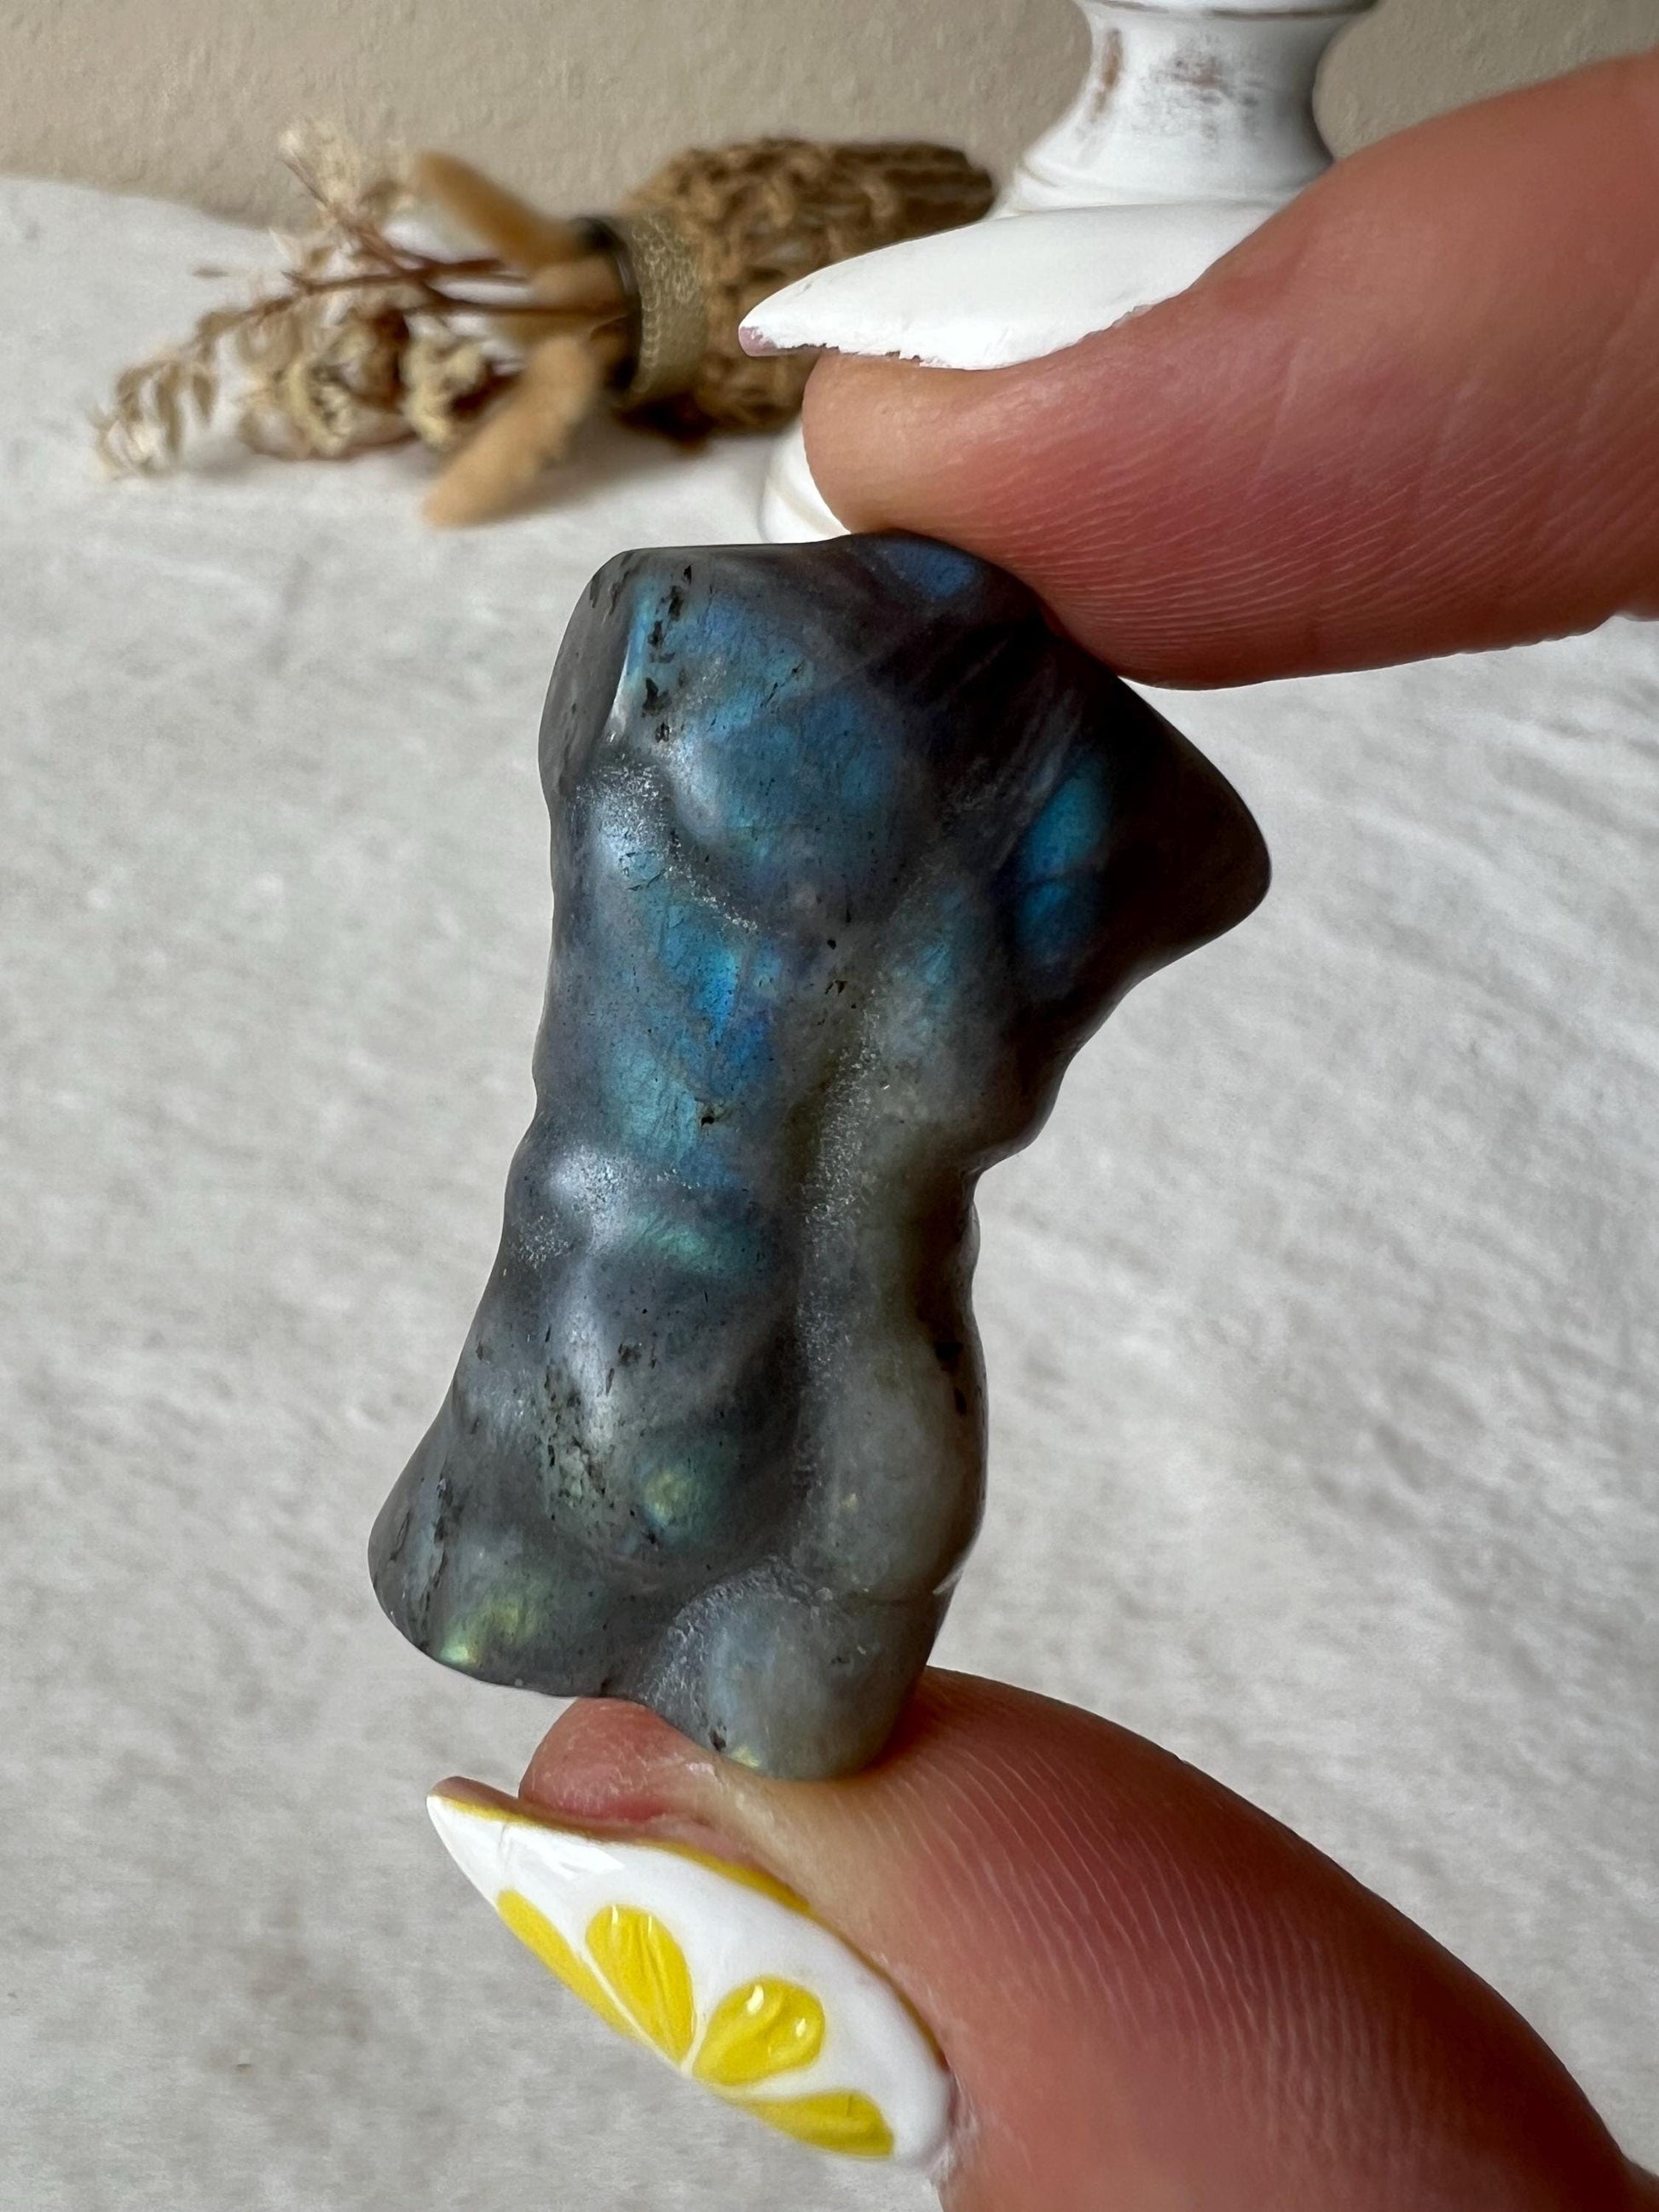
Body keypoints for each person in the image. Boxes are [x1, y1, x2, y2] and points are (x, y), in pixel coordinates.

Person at [488, 52, 1659, 2208]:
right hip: (651, 1383)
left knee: (730, 1421)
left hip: (737, 1385)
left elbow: (1145, 894)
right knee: (666, 1409)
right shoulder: (700, 652)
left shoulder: (759, 679)